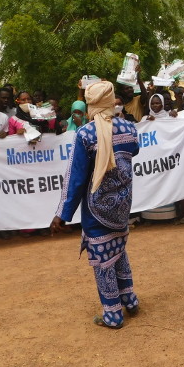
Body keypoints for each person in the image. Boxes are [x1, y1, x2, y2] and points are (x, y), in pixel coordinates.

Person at [50, 81, 140, 329]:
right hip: (122, 205)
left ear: (91, 105)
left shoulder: (86, 134)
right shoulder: (129, 128)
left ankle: (112, 315)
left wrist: (62, 214)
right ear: (111, 102)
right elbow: (134, 151)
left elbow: (76, 178)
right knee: (118, 250)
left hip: (97, 208)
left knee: (103, 260)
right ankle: (129, 299)